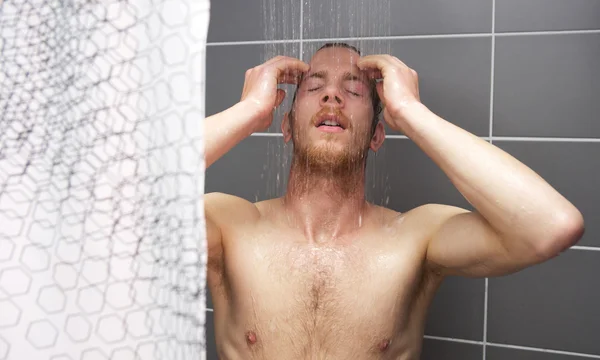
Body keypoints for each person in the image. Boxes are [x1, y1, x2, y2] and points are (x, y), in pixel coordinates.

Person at [204, 43, 584, 359]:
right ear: (286, 126)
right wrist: (249, 111)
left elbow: (552, 226)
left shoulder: (416, 237)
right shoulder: (229, 226)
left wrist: (411, 112)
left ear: (376, 135)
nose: (332, 96)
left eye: (353, 91)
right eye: (314, 87)